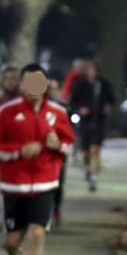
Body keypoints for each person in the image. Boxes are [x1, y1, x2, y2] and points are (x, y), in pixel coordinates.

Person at [0, 63, 75, 255]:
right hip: (15, 186)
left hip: (45, 183)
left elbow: (69, 145)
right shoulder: (7, 111)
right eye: (28, 81)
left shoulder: (57, 112)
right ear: (22, 84)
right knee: (13, 241)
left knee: (37, 233)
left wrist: (58, 145)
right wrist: (18, 152)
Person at [69, 60, 114, 192]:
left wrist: (107, 107)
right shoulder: (80, 85)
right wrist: (80, 110)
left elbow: (110, 99)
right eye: (89, 70)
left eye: (93, 70)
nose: (91, 73)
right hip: (85, 122)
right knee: (86, 152)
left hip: (99, 120)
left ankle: (93, 178)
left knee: (95, 149)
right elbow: (73, 101)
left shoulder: (104, 84)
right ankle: (88, 168)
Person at [47, 79, 70, 226]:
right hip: (43, 154)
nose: (52, 92)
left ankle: (56, 209)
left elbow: (69, 130)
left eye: (55, 89)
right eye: (50, 89)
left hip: (58, 153)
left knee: (58, 184)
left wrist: (61, 145)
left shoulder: (63, 108)